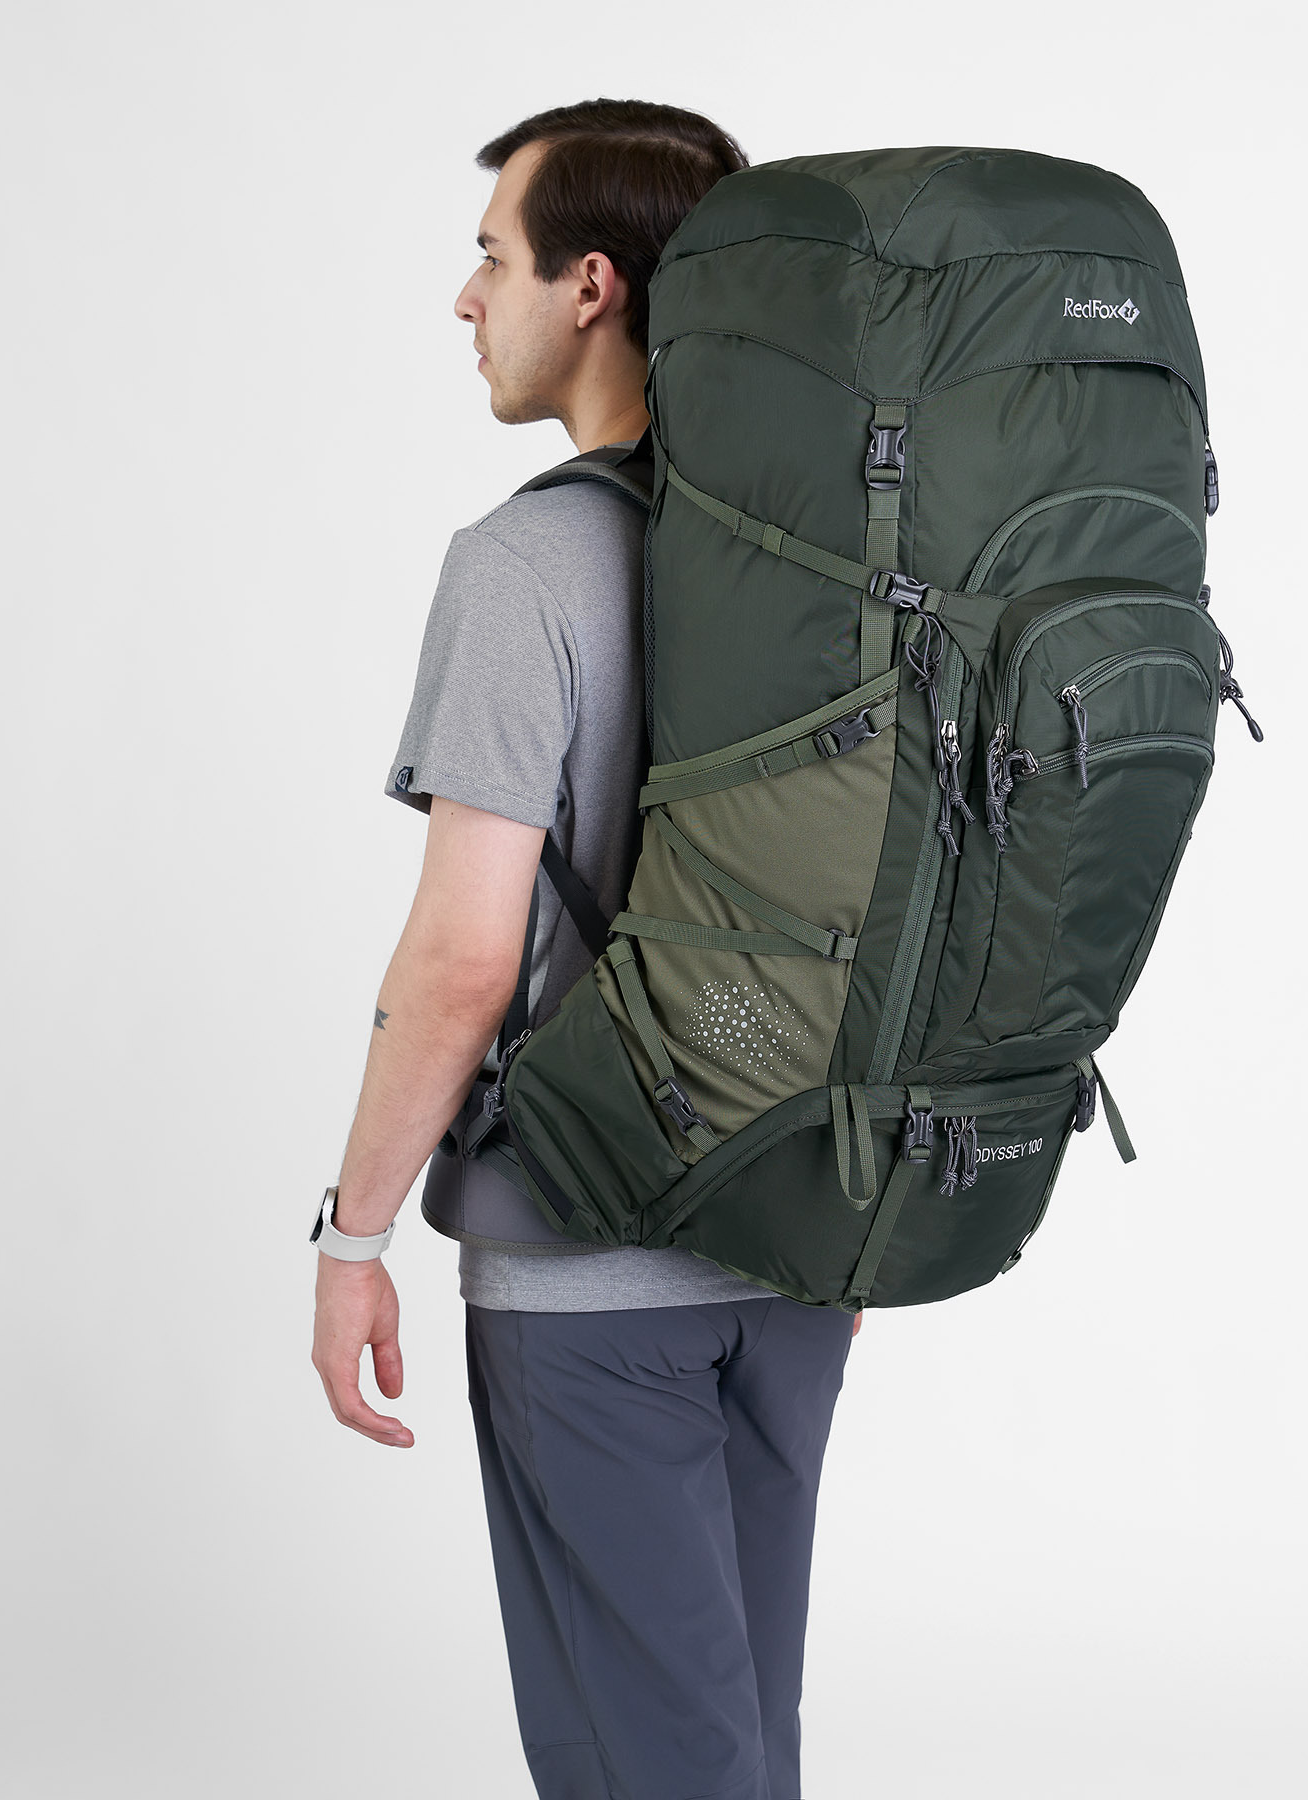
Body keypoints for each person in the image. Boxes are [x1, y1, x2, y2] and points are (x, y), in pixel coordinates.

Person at [310, 98, 860, 1800]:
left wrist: (351, 1237)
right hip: (801, 1239)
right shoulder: (838, 558)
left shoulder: (526, 565)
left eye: (494, 256)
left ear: (594, 285)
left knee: (647, 1764)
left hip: (587, 1272)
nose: (468, 297)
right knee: (735, 1739)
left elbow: (462, 962)